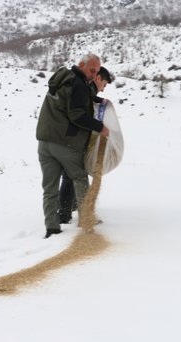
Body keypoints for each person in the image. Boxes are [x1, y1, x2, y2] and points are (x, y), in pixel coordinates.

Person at [37, 54, 110, 239]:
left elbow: (73, 102)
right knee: (79, 178)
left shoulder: (63, 79)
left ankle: (52, 228)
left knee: (49, 187)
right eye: (92, 70)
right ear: (81, 65)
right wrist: (100, 127)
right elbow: (77, 115)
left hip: (45, 142)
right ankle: (86, 221)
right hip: (65, 143)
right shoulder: (78, 83)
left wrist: (95, 100)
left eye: (96, 72)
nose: (94, 75)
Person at [58, 66, 114, 224]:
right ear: (97, 78)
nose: (103, 89)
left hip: (68, 137)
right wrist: (100, 128)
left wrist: (99, 100)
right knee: (71, 176)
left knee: (70, 175)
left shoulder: (87, 89)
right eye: (104, 84)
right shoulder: (85, 88)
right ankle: (64, 214)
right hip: (70, 138)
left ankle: (72, 207)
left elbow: (89, 99)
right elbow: (79, 114)